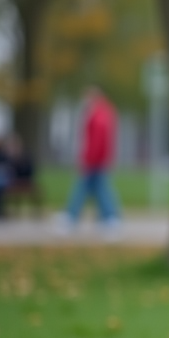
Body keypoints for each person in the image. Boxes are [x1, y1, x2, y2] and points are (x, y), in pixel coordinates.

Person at [61, 86, 120, 232]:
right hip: (98, 159)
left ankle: (73, 216)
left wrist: (88, 159)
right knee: (98, 188)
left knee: (87, 188)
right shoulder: (103, 112)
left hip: (95, 160)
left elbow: (97, 140)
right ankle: (108, 218)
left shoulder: (98, 114)